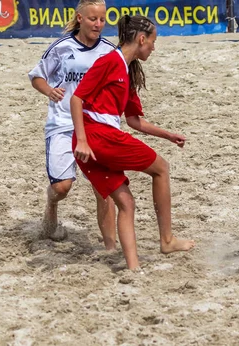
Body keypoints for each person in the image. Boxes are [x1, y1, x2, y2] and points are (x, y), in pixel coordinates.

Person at [70, 15, 195, 270]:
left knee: (126, 203)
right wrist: (82, 140)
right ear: (141, 39)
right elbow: (76, 99)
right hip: (96, 137)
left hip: (95, 140)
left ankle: (134, 268)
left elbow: (135, 121)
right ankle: (167, 240)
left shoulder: (128, 71)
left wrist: (168, 135)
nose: (154, 47)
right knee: (161, 168)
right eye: (153, 41)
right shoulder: (108, 61)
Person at [28, 0, 118, 250]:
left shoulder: (109, 51)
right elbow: (36, 75)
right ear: (80, 18)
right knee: (62, 187)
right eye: (93, 19)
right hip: (63, 123)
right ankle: (52, 205)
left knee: (105, 188)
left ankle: (110, 247)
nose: (98, 24)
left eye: (102, 19)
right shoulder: (61, 47)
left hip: (97, 125)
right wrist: (49, 90)